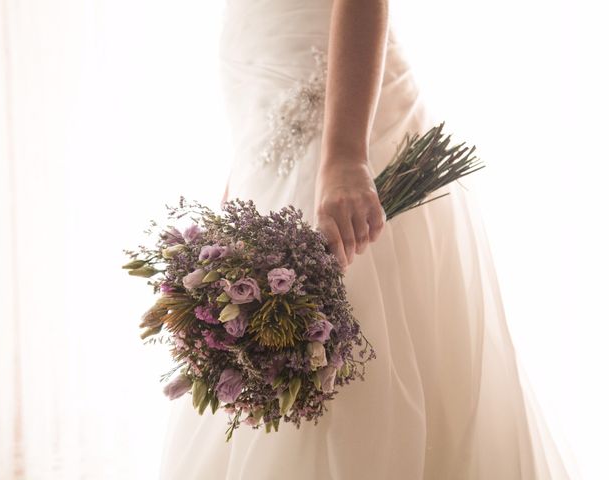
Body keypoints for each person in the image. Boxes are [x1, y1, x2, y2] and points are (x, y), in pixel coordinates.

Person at [159, 0, 574, 478]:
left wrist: (344, 155)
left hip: (337, 104)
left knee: (355, 353)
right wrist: (244, 168)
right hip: (261, 88)